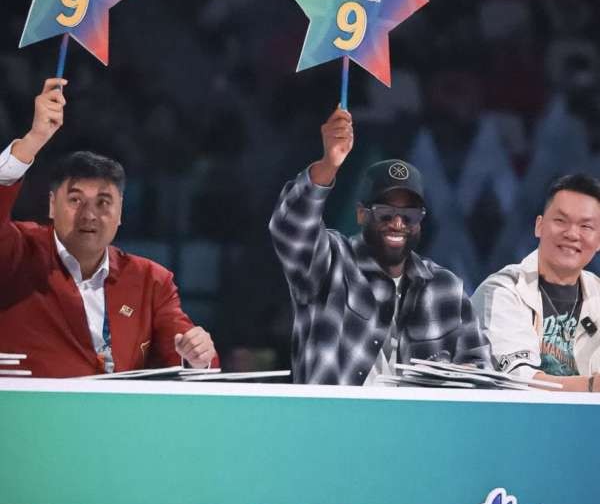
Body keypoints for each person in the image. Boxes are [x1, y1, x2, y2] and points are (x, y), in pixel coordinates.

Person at [0, 78, 217, 378]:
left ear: (120, 212)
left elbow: (183, 360)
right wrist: (32, 140)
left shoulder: (151, 281)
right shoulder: (17, 252)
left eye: (103, 202)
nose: (89, 214)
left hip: (116, 409)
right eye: (75, 200)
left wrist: (197, 356)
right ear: (51, 205)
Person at [269, 106, 490, 385]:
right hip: (336, 413)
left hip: (417, 414)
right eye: (385, 213)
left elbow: (482, 371)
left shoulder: (445, 287)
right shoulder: (331, 262)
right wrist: (328, 165)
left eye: (409, 216)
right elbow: (290, 226)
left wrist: (465, 376)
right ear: (361, 214)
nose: (397, 223)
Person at [472, 173, 600, 392]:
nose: (572, 234)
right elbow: (517, 381)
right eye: (560, 221)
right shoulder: (502, 291)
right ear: (539, 226)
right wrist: (591, 386)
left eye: (586, 226)